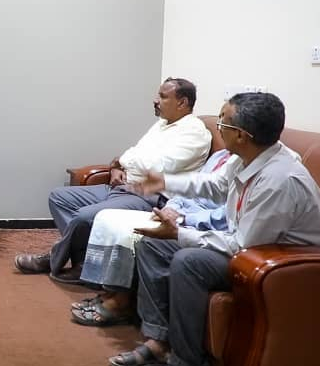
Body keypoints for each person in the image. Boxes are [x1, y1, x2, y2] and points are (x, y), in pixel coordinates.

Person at [110, 93, 320, 366]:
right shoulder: (249, 158)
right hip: (254, 249)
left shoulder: (279, 180)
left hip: (289, 266)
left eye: (222, 123)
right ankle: (158, 340)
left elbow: (242, 245)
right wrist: (165, 182)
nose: (219, 128)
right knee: (153, 245)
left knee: (189, 262)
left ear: (241, 135)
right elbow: (214, 186)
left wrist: (179, 233)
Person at [14, 78, 212, 282]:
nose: (155, 100)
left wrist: (122, 161)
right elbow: (135, 153)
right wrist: (118, 167)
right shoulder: (162, 124)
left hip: (149, 197)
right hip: (124, 187)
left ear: (182, 103)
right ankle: (82, 261)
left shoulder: (194, 132)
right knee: (59, 197)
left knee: (83, 217)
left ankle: (55, 257)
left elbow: (157, 167)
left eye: (162, 96)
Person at [69, 149, 233, 326]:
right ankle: (111, 292)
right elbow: (188, 191)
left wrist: (184, 218)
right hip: (179, 213)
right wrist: (171, 207)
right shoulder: (220, 156)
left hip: (199, 225)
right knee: (107, 217)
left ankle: (120, 302)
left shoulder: (244, 168)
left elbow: (224, 215)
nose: (221, 133)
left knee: (134, 233)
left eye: (224, 130)